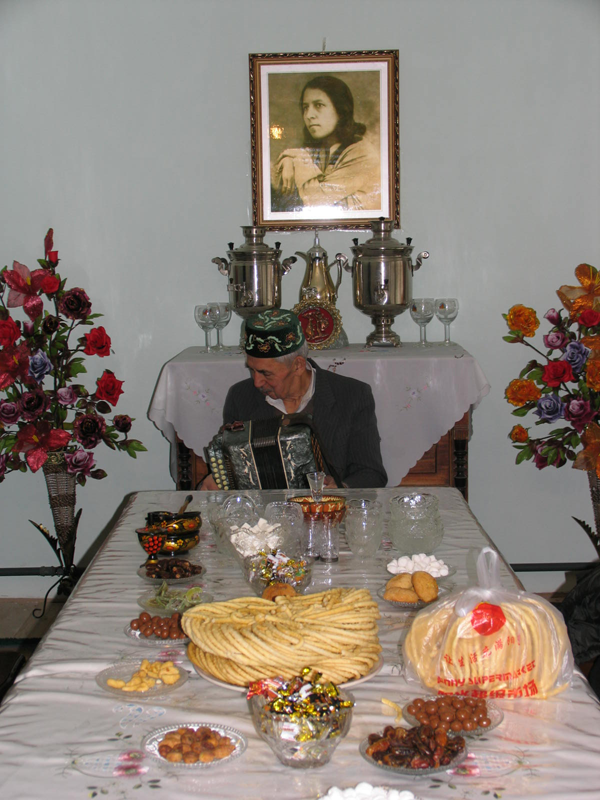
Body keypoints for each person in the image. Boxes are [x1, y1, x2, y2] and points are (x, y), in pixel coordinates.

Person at [200, 308, 387, 490]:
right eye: (252, 370)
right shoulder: (240, 396)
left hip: (327, 509)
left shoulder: (352, 395)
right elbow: (231, 468)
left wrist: (341, 487)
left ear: (298, 365)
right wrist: (219, 480)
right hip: (262, 510)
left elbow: (371, 473)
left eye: (266, 373)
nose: (257, 382)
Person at [271, 75, 380, 213]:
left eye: (318, 105)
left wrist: (294, 160)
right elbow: (290, 164)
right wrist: (288, 160)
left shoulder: (363, 154)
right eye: (305, 107)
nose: (309, 115)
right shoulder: (323, 149)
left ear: (340, 110)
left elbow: (316, 200)